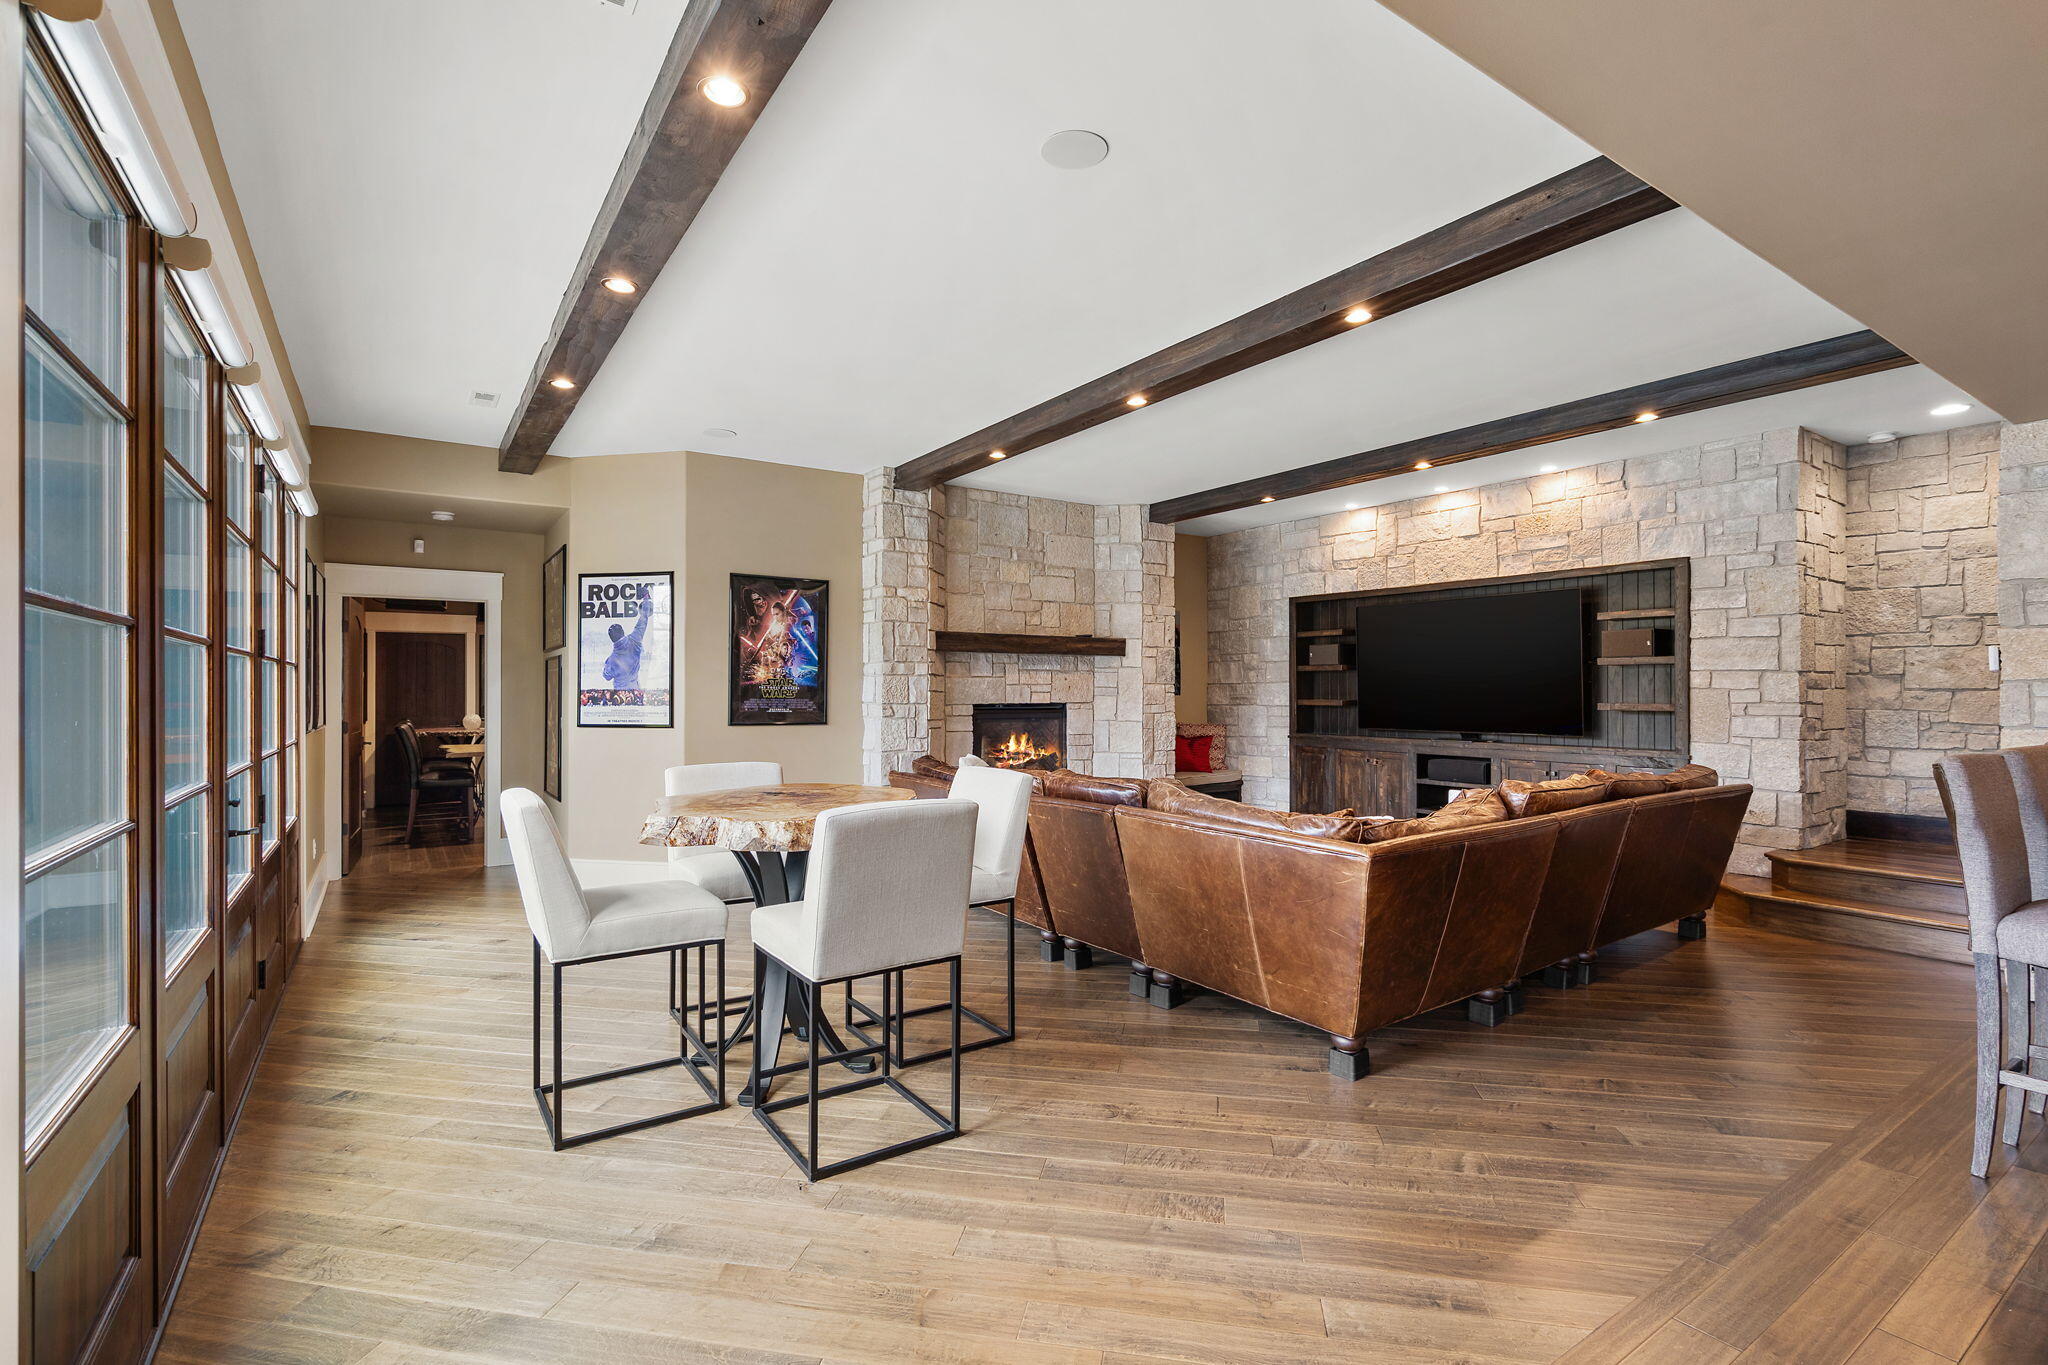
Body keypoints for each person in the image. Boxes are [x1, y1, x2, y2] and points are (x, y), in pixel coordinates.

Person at [603, 591, 654, 691]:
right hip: (635, 689)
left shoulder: (612, 659)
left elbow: (606, 676)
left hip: (619, 694)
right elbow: (644, 617)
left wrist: (606, 665)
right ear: (623, 632)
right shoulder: (635, 639)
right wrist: (646, 597)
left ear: (611, 638)